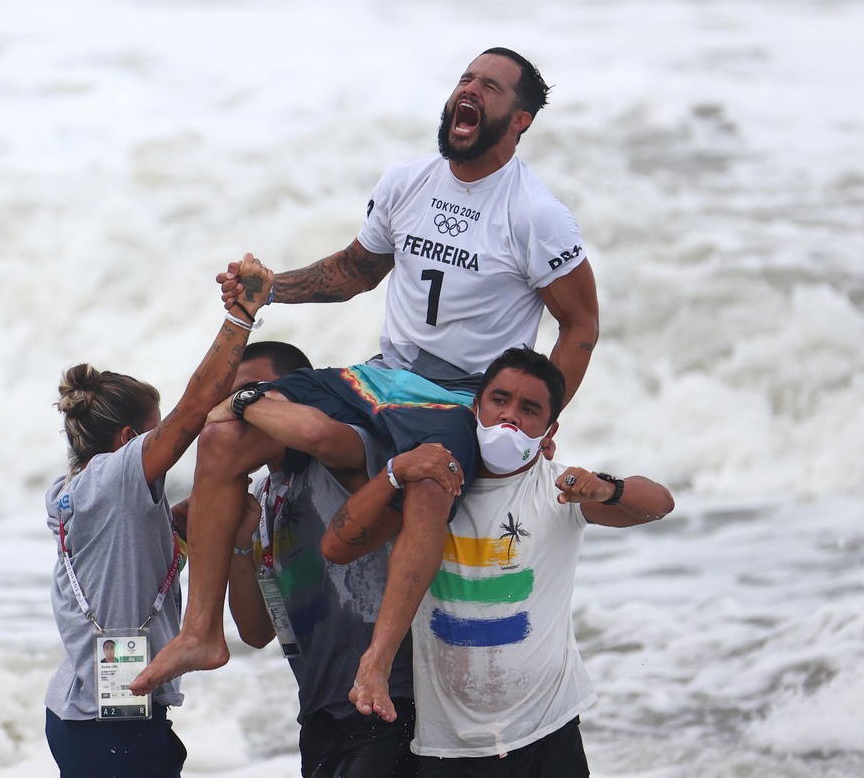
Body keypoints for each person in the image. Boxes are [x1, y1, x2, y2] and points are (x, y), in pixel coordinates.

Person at [135, 48, 599, 696]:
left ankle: (377, 661)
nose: (469, 89)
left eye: (489, 86)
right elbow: (356, 271)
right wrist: (271, 290)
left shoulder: (537, 215)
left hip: (457, 398)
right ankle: (202, 631)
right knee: (223, 440)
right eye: (465, 77)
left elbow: (580, 326)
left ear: (519, 119)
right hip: (380, 377)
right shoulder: (408, 182)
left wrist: (533, 422)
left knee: (429, 483)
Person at [322, 348, 675, 776]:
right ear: (475, 407)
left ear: (549, 429)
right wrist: (395, 471)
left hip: (548, 730)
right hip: (448, 747)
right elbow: (338, 545)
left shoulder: (559, 489)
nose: (510, 417)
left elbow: (659, 503)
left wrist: (606, 488)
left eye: (530, 410)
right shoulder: (433, 489)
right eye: (500, 400)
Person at [44, 254, 274, 778]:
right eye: (154, 432)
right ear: (130, 442)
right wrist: (241, 316)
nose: (163, 443)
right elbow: (195, 406)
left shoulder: (73, 492)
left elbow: (134, 555)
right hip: (112, 725)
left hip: (83, 714)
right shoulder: (118, 474)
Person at [223, 341, 424, 778]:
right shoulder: (260, 497)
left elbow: (314, 433)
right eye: (236, 396)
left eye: (256, 392)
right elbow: (257, 632)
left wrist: (242, 402)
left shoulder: (348, 454)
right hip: (319, 715)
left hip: (387, 702)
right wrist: (240, 544)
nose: (243, 410)